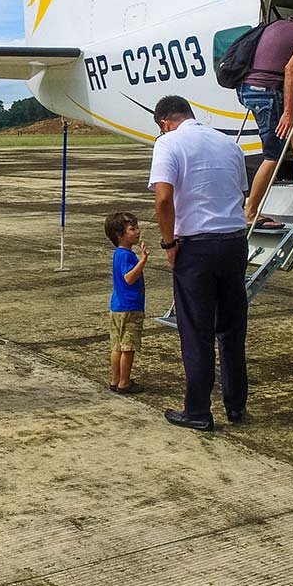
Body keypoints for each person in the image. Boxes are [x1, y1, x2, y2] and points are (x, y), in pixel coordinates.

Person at [149, 95, 249, 431]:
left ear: (165, 122)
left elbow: (163, 198)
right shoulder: (229, 144)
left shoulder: (168, 143)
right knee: (233, 330)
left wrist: (169, 243)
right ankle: (236, 406)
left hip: (196, 247)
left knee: (196, 332)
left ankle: (197, 411)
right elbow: (240, 193)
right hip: (234, 242)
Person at [238, 11, 293, 229]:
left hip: (249, 88)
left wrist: (291, 111)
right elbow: (291, 68)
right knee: (274, 154)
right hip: (265, 92)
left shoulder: (277, 25)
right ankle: (251, 211)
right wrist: (287, 112)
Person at [104, 211, 149, 394]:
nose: (137, 231)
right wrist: (143, 260)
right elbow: (129, 278)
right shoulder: (127, 256)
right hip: (130, 307)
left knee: (117, 346)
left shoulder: (118, 253)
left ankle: (115, 380)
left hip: (117, 306)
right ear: (119, 235)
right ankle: (124, 382)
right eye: (133, 229)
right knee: (128, 347)